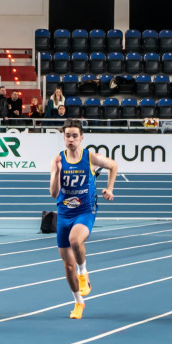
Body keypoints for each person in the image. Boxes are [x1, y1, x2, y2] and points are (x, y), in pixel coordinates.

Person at [49, 119, 117, 319]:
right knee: (66, 265)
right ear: (63, 138)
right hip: (64, 213)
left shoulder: (90, 157)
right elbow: (53, 193)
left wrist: (110, 188)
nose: (71, 139)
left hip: (85, 210)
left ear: (81, 138)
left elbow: (113, 165)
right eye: (67, 136)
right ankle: (78, 302)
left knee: (75, 240)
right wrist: (57, 174)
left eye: (74, 136)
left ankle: (83, 272)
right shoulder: (58, 160)